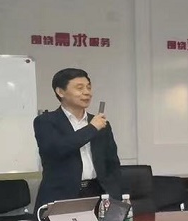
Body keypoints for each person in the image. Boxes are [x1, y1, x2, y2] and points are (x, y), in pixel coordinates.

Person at [33, 67, 122, 211]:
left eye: (88, 87)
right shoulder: (45, 121)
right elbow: (57, 149)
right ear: (60, 92)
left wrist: (116, 196)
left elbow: (112, 163)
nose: (87, 92)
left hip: (97, 193)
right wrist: (92, 128)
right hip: (62, 196)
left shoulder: (100, 124)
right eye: (79, 88)